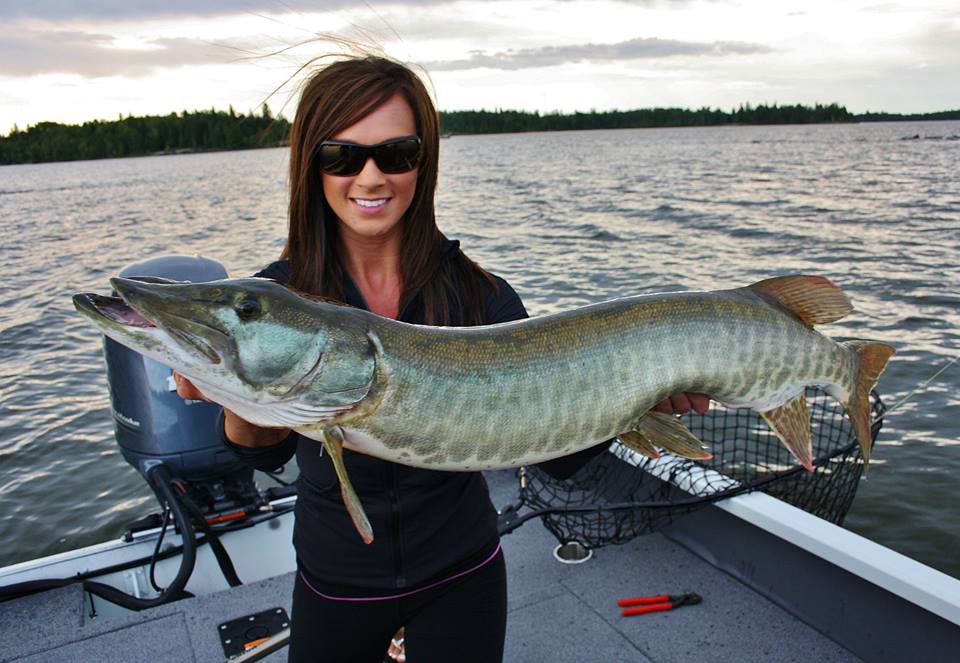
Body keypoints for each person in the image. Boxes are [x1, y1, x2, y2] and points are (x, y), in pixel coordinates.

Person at [176, 55, 708, 663]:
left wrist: (638, 399)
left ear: (423, 161)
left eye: (395, 153)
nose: (370, 178)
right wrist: (230, 393)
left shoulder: (481, 295)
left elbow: (560, 454)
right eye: (341, 156)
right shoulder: (277, 296)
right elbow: (262, 451)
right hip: (336, 579)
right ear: (311, 167)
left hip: (463, 568)